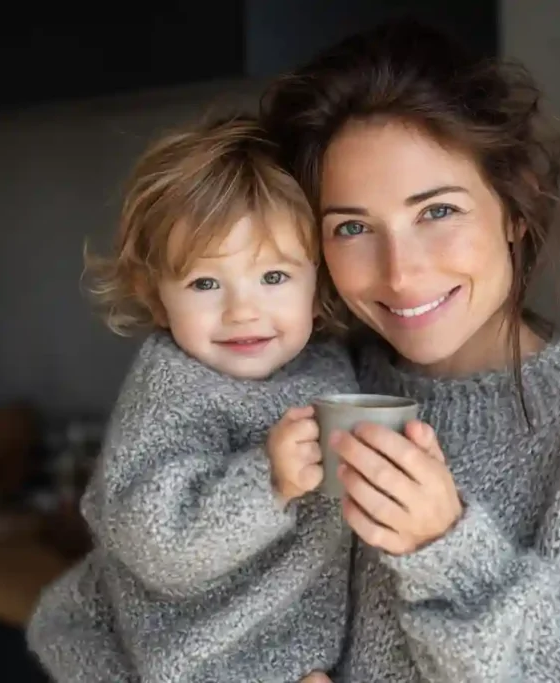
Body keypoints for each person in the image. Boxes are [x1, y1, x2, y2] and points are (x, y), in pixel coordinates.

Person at [259, 19, 560, 682]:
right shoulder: (315, 386)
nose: (401, 272)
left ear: (513, 208)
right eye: (353, 227)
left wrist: (446, 548)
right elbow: (114, 621)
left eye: (437, 211)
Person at [26, 115, 358, 683]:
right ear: (156, 299)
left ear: (318, 284)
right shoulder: (172, 390)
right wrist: (267, 480)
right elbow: (156, 542)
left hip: (306, 653)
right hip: (205, 661)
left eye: (274, 277)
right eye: (205, 284)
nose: (242, 311)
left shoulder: (328, 365)